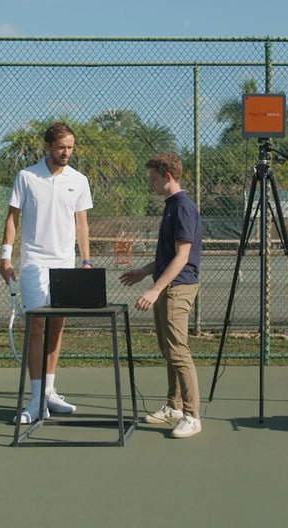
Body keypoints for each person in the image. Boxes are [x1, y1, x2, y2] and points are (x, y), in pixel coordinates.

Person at [0, 122, 94, 424]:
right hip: (34, 264)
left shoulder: (79, 180)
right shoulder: (26, 177)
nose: (67, 153)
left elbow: (81, 223)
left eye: (70, 148)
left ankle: (49, 393)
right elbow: (12, 217)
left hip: (65, 264)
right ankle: (36, 400)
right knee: (37, 325)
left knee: (57, 325)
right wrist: (5, 257)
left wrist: (86, 261)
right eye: (61, 147)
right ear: (48, 147)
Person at [120, 153, 202, 438]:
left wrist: (155, 290)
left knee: (179, 351)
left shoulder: (183, 208)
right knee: (168, 351)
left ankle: (192, 416)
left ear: (168, 177)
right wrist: (143, 272)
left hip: (178, 288)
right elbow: (166, 257)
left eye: (153, 179)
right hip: (167, 286)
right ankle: (174, 407)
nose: (151, 183)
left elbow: (182, 257)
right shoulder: (171, 206)